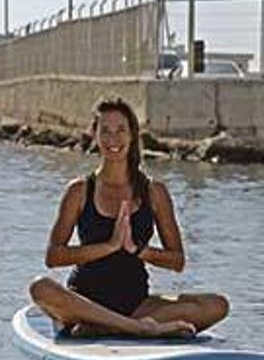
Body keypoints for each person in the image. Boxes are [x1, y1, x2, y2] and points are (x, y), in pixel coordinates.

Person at [29, 97, 229, 338]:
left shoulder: (154, 192)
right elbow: (54, 256)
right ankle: (136, 328)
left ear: (133, 134)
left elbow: (177, 261)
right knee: (40, 287)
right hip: (84, 303)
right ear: (94, 135)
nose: (113, 139)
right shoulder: (79, 190)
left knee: (216, 305)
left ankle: (107, 327)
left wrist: (138, 250)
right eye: (105, 131)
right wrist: (109, 246)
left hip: (137, 304)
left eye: (121, 130)